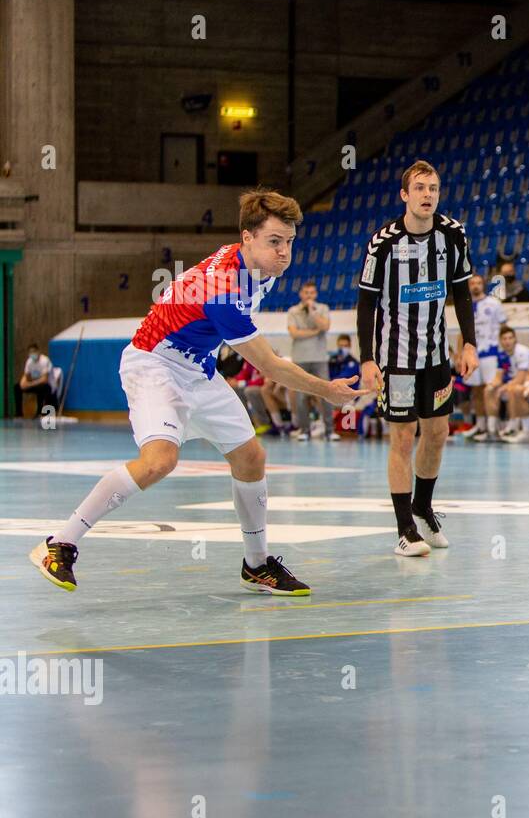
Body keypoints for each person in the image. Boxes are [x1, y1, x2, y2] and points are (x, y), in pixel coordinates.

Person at [31, 189, 367, 595]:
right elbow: (269, 365)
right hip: (154, 364)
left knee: (250, 457)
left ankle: (257, 564)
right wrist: (326, 390)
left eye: (289, 242)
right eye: (274, 241)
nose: (284, 252)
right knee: (159, 461)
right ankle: (59, 544)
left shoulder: (258, 268)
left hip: (197, 369)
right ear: (247, 238)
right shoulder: (222, 288)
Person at [356, 160, 478, 557]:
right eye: (420, 188)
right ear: (405, 195)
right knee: (403, 437)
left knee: (439, 433)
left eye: (434, 188)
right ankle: (404, 528)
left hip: (436, 356)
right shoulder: (384, 242)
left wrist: (470, 343)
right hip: (396, 359)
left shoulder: (453, 234)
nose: (428, 194)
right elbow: (366, 304)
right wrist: (367, 358)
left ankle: (423, 507)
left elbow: (461, 292)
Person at [459, 273, 508, 440]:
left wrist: (502, 351)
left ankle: (492, 427)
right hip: (473, 353)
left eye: (478, 283)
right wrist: (460, 355)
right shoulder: (464, 305)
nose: (475, 286)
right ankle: (480, 426)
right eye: (472, 283)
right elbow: (462, 332)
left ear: (483, 285)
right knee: (477, 391)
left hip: (490, 352)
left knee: (490, 389)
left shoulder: (494, 303)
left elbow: (504, 327)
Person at [285, 280, 332, 441]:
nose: (309, 296)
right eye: (306, 293)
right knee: (300, 396)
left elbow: (325, 327)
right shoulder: (293, 311)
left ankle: (329, 430)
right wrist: (314, 331)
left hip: (319, 359)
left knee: (326, 393)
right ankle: (304, 430)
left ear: (316, 294)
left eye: (312, 293)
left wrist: (313, 313)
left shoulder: (322, 309)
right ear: (301, 294)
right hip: (300, 359)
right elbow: (294, 334)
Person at [474, 325, 529, 442]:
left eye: (510, 338)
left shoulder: (522, 351)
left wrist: (504, 387)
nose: (507, 341)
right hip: (510, 385)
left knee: (512, 390)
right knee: (488, 390)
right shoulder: (502, 355)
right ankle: (492, 430)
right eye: (504, 339)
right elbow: (498, 377)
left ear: (515, 339)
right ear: (500, 341)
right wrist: (492, 385)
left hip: (526, 384)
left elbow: (521, 378)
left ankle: (513, 428)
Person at [13, 342, 53, 419]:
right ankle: (19, 414)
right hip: (34, 384)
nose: (32, 354)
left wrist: (30, 384)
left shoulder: (44, 360)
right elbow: (26, 375)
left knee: (44, 388)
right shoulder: (29, 362)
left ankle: (42, 413)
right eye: (30, 352)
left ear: (38, 351)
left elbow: (44, 379)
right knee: (17, 387)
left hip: (46, 384)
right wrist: (22, 383)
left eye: (34, 351)